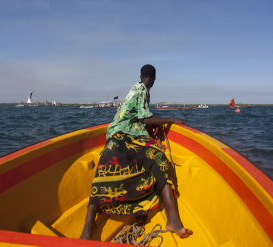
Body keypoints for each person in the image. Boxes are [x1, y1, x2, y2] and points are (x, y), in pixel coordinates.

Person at [80, 64, 193, 240]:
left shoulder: (137, 88)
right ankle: (89, 225)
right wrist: (172, 119)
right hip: (123, 134)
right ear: (154, 79)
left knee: (112, 159)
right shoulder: (141, 89)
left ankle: (172, 219)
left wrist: (151, 123)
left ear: (141, 76)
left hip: (120, 133)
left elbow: (140, 116)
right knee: (159, 159)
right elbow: (144, 117)